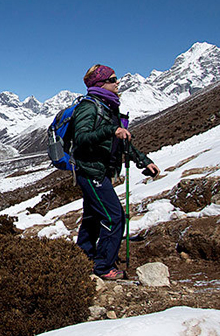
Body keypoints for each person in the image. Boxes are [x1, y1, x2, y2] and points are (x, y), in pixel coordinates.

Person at [73, 64, 160, 280]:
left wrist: (143, 161)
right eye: (113, 79)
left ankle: (81, 257)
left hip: (98, 171)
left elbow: (120, 143)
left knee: (93, 217)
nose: (117, 82)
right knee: (113, 216)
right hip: (90, 171)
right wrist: (111, 129)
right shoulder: (89, 107)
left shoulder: (107, 107)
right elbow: (81, 138)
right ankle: (103, 267)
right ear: (101, 83)